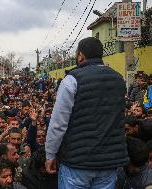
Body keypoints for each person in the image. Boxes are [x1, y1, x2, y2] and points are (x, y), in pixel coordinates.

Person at [45, 37, 129, 188]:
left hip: (77, 162)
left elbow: (58, 123)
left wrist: (50, 154)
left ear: (80, 55)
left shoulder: (72, 79)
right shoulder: (119, 79)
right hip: (109, 162)